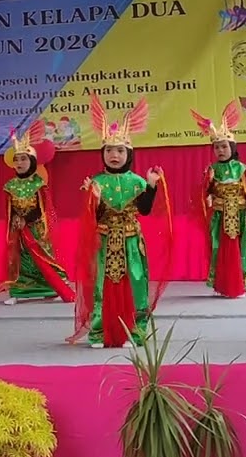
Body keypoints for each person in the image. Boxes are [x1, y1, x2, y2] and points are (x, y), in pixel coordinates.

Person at [69, 95, 173, 349]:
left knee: (135, 284)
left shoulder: (137, 181)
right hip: (104, 242)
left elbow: (145, 211)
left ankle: (135, 333)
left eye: (119, 151)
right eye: (108, 150)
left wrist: (150, 186)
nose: (114, 155)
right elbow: (91, 219)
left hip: (131, 243)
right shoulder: (96, 182)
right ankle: (98, 332)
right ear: (101, 153)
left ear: (128, 153)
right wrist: (93, 200)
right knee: (102, 287)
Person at [0, 120, 75, 306]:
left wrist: (27, 219)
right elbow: (10, 208)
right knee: (19, 261)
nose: (20, 163)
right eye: (17, 159)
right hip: (18, 230)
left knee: (42, 260)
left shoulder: (39, 183)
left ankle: (50, 289)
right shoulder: (10, 185)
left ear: (31, 161)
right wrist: (16, 222)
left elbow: (42, 208)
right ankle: (18, 292)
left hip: (37, 229)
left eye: (24, 159)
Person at [191, 103, 246, 298]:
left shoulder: (243, 169)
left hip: (240, 216)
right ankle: (223, 285)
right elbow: (203, 194)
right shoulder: (211, 169)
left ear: (232, 147)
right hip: (220, 216)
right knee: (219, 249)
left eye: (224, 146)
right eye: (216, 147)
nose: (220, 150)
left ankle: (239, 284)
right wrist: (207, 182)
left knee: (240, 250)